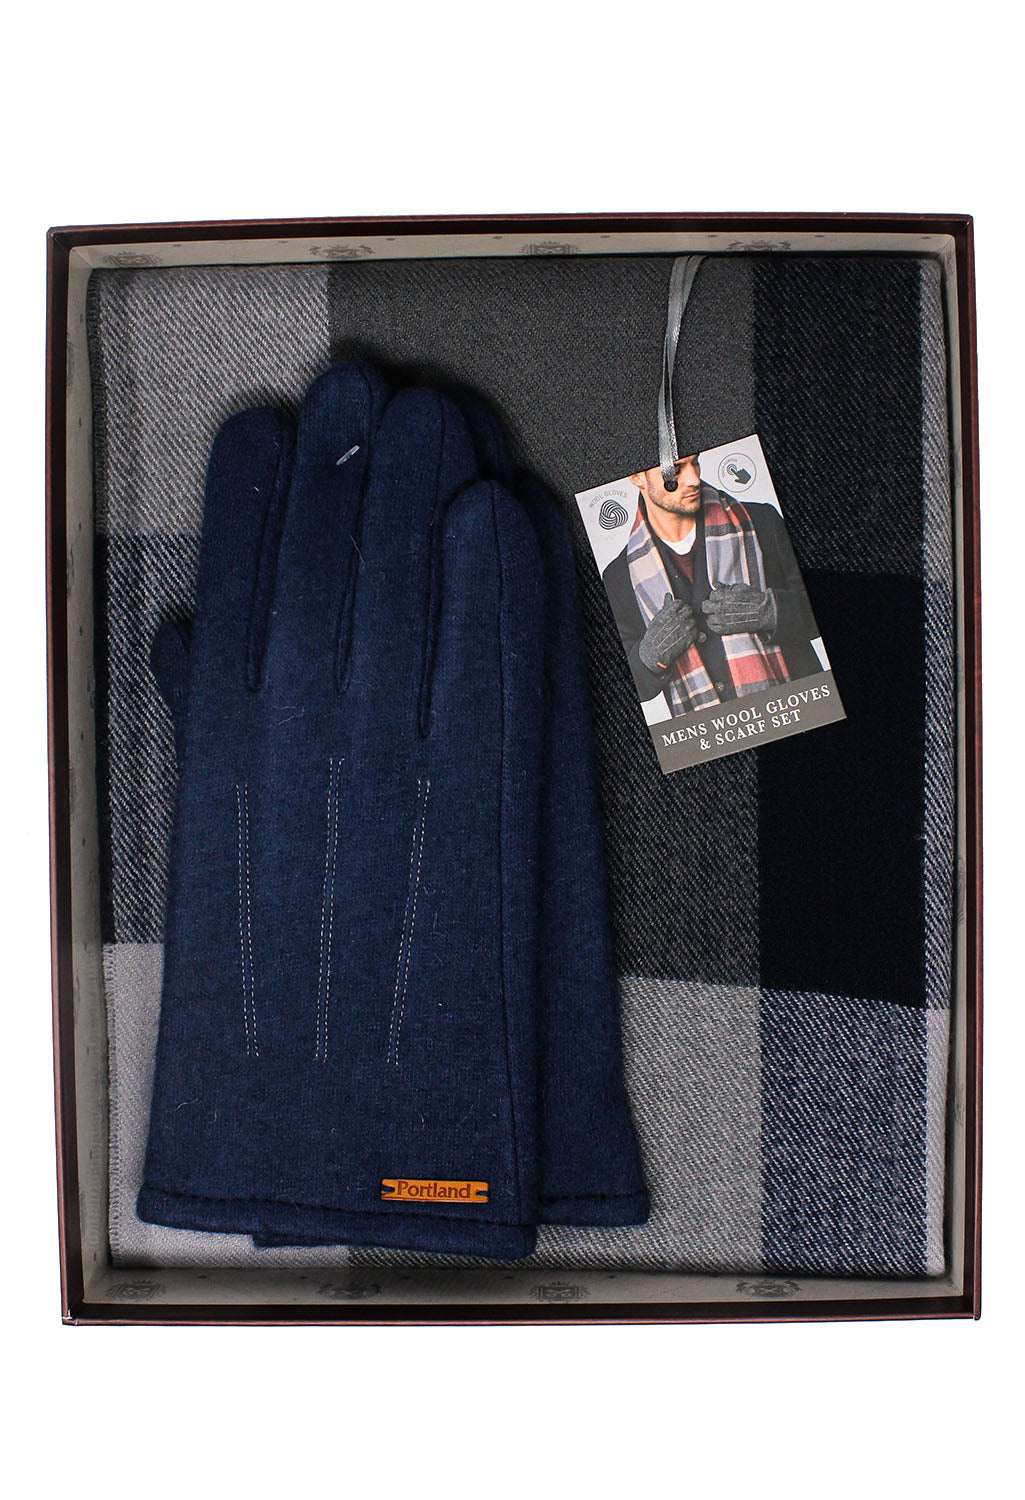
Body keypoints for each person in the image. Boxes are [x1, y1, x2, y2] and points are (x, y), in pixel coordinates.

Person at [602, 453, 822, 714]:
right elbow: (624, 690)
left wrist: (771, 612)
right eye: (676, 469)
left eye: (695, 463)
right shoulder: (618, 576)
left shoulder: (762, 521)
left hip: (801, 712)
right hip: (707, 733)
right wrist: (649, 658)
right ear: (637, 477)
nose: (694, 479)